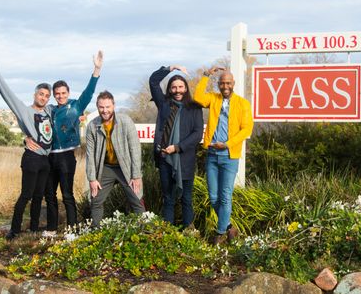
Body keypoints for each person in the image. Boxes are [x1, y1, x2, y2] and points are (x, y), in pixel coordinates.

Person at [27, 50, 103, 237]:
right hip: (49, 157)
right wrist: (26, 138)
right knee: (50, 194)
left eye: (63, 93)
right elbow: (33, 120)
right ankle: (52, 228)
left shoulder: (77, 105)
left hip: (67, 157)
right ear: (54, 96)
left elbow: (89, 91)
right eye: (57, 94)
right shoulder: (50, 110)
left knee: (67, 195)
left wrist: (96, 69)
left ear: (68, 93)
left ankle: (72, 230)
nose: (60, 96)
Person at [0, 61, 52, 240]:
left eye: (46, 96)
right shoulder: (24, 111)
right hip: (32, 158)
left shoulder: (49, 111)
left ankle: (34, 229)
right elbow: (7, 93)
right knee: (26, 195)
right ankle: (14, 230)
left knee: (39, 196)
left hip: (46, 160)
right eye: (41, 94)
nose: (43, 98)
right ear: (35, 94)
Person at [193, 66, 254, 244]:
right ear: (218, 84)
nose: (225, 85)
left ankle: (220, 233)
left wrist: (227, 144)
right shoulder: (214, 98)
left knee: (225, 195)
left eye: (228, 83)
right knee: (213, 197)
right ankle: (229, 227)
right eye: (222, 83)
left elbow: (247, 129)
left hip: (229, 154)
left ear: (233, 83)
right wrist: (206, 75)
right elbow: (197, 97)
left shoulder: (243, 103)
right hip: (212, 153)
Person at [149, 66, 203, 228]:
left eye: (180, 87)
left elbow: (197, 134)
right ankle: (168, 237)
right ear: (169, 89)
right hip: (165, 159)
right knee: (168, 199)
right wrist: (171, 68)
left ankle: (188, 233)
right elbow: (153, 81)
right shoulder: (164, 104)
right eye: (174, 87)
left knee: (186, 199)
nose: (177, 90)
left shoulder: (194, 108)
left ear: (186, 88)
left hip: (185, 160)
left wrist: (178, 147)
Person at [86, 91, 145, 227]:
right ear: (97, 106)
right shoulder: (92, 126)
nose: (105, 110)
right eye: (101, 107)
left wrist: (136, 175)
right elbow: (90, 155)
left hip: (125, 168)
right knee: (96, 200)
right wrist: (92, 179)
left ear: (114, 105)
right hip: (105, 168)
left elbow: (135, 149)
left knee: (136, 199)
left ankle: (144, 233)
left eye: (108, 107)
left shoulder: (125, 121)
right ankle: (96, 234)